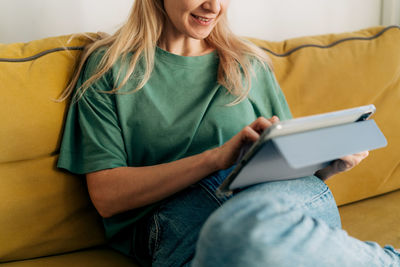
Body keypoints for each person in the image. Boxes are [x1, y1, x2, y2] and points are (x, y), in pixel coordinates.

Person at [57, 0, 400, 266]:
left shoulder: (247, 63)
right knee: (242, 231)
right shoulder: (109, 68)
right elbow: (107, 197)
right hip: (180, 218)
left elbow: (285, 163)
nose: (214, 7)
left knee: (261, 224)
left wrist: (328, 167)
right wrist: (215, 159)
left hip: (280, 197)